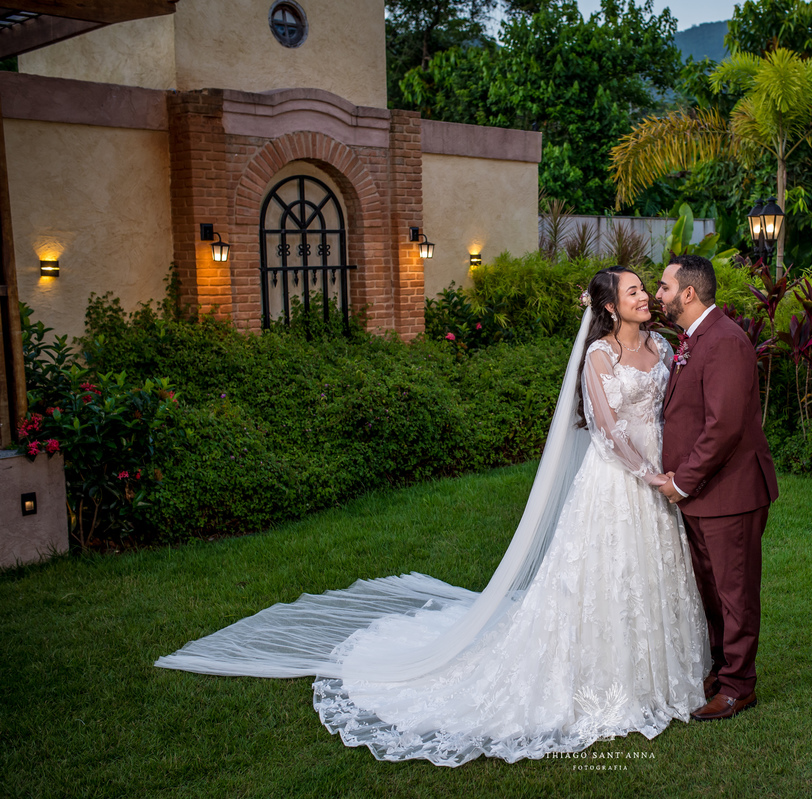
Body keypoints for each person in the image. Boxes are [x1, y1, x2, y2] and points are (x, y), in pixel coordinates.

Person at [155, 266, 710, 767]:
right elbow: (607, 428)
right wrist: (651, 476)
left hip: (663, 472)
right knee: (602, 576)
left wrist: (673, 469)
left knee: (651, 573)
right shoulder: (599, 357)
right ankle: (599, 679)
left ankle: (654, 678)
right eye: (633, 291)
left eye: (644, 289)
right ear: (609, 307)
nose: (644, 297)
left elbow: (672, 409)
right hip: (618, 481)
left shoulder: (663, 347)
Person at [653, 254, 779, 722]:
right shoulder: (694, 338)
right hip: (704, 495)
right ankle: (722, 670)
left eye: (664, 287)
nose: (658, 295)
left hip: (730, 492)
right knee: (710, 590)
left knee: (734, 592)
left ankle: (739, 686)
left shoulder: (725, 340)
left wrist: (683, 482)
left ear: (688, 293)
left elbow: (723, 426)